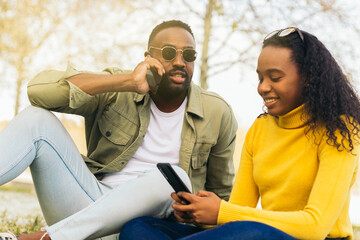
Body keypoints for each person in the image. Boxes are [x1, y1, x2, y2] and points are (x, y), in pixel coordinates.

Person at [0, 20, 238, 240]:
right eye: (167, 53)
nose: (179, 62)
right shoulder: (120, 87)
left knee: (170, 178)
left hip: (148, 228)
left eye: (188, 54)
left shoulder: (217, 112)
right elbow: (38, 92)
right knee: (36, 119)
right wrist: (128, 83)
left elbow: (222, 200)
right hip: (86, 209)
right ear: (148, 57)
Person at [119, 27, 360, 240]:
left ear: (308, 79)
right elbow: (238, 210)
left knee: (253, 232)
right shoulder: (260, 129)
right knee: (139, 228)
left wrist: (221, 211)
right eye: (260, 78)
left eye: (275, 78)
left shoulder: (340, 130)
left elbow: (315, 227)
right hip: (257, 233)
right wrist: (200, 212)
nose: (262, 87)